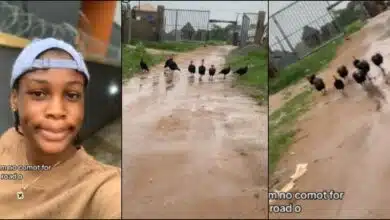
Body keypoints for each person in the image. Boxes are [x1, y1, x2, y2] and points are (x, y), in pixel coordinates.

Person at [0, 38, 121, 219]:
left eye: (72, 95)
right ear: (14, 99)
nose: (57, 111)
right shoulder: (9, 140)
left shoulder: (100, 186)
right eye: (39, 93)